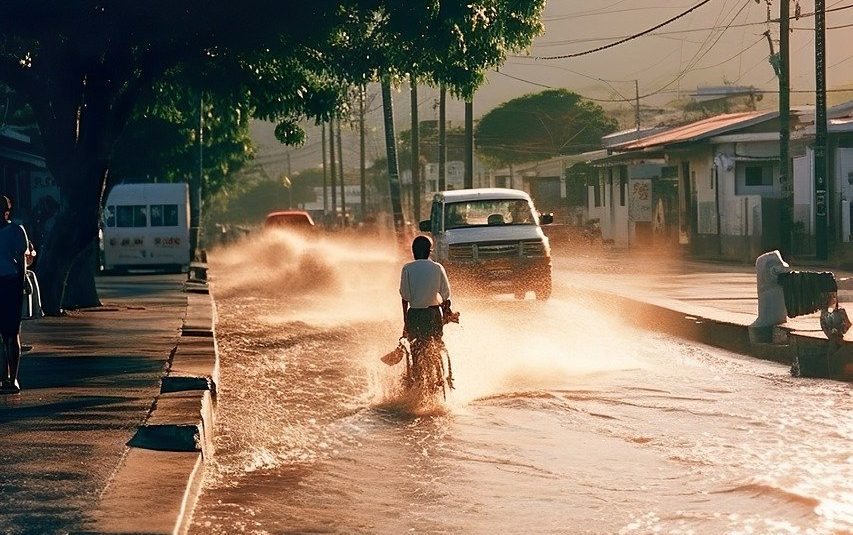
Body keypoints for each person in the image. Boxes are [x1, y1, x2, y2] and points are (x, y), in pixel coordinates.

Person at [399, 235, 454, 371]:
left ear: (413, 251)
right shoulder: (437, 268)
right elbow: (446, 295)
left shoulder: (407, 268)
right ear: (430, 251)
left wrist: (406, 322)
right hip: (433, 314)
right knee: (436, 343)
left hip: (415, 315)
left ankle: (417, 376)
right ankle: (440, 373)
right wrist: (447, 311)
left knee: (416, 349)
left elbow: (405, 296)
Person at [0, 195, 29, 394]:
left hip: (10, 283)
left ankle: (13, 377)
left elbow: (22, 261)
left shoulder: (16, 231)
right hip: (7, 282)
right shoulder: (15, 231)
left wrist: (22, 282)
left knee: (11, 333)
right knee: (6, 335)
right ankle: (4, 377)